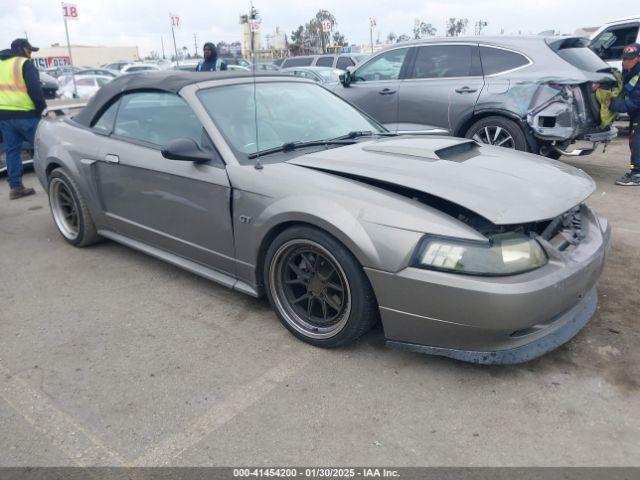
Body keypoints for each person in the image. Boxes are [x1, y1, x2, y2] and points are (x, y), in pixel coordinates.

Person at [0, 38, 46, 199]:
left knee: (12, 151)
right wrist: (43, 110)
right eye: (29, 50)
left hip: (4, 116)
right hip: (27, 115)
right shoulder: (23, 64)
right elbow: (36, 91)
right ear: (21, 49)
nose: (30, 54)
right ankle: (52, 182)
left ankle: (16, 187)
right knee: (43, 148)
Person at [609, 43, 640, 186]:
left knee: (636, 141)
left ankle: (637, 174)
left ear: (638, 59)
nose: (625, 62)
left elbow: (635, 102)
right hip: (636, 113)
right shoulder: (629, 71)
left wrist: (613, 105)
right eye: (624, 58)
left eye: (629, 59)